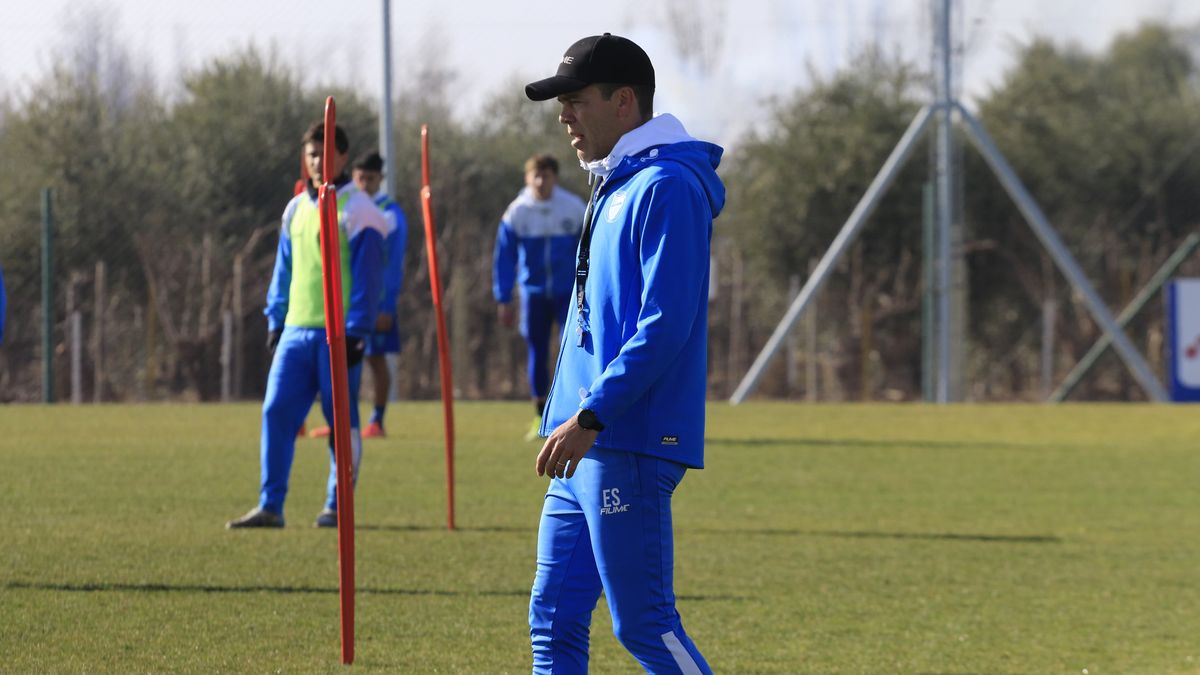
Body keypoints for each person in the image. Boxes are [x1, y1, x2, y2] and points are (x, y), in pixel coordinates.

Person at [523, 33, 724, 673]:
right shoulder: (613, 183)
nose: (564, 117)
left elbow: (664, 326)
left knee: (644, 627)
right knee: (551, 622)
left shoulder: (667, 187)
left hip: (622, 440)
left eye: (577, 100)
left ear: (625, 102)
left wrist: (591, 417)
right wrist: (570, 420)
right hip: (581, 441)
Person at [226, 122, 387, 530]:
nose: (318, 161)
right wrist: (275, 319)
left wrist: (357, 329)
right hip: (296, 331)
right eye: (311, 154)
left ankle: (336, 505)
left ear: (343, 157)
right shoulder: (296, 208)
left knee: (341, 422)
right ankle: (270, 506)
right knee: (276, 412)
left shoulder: (361, 210)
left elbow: (368, 277)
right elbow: (284, 269)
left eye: (326, 153)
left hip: (339, 334)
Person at [309, 150, 408, 439]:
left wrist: (386, 305)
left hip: (376, 302)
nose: (364, 183)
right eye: (360, 177)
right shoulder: (345, 206)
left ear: (381, 180)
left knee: (376, 359)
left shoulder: (390, 213)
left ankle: (377, 420)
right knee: (340, 362)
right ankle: (341, 418)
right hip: (348, 303)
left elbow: (393, 263)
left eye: (371, 178)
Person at [493, 154, 586, 440]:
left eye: (546, 175)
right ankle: (539, 416)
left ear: (555, 178)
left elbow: (590, 250)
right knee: (537, 352)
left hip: (568, 294)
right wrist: (504, 297)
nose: (540, 181)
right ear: (527, 178)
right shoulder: (518, 212)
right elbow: (504, 258)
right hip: (533, 295)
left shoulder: (573, 208)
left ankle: (576, 413)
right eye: (536, 175)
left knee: (574, 349)